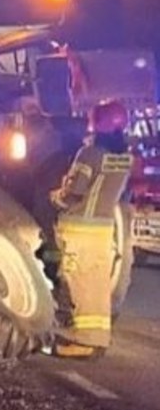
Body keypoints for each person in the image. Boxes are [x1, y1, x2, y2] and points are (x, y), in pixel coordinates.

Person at [49, 100, 135, 358]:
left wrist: (55, 197)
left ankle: (85, 342)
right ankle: (97, 337)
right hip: (103, 229)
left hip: (80, 228)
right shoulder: (124, 159)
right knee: (96, 285)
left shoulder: (89, 154)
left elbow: (74, 192)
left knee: (81, 283)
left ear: (96, 125)